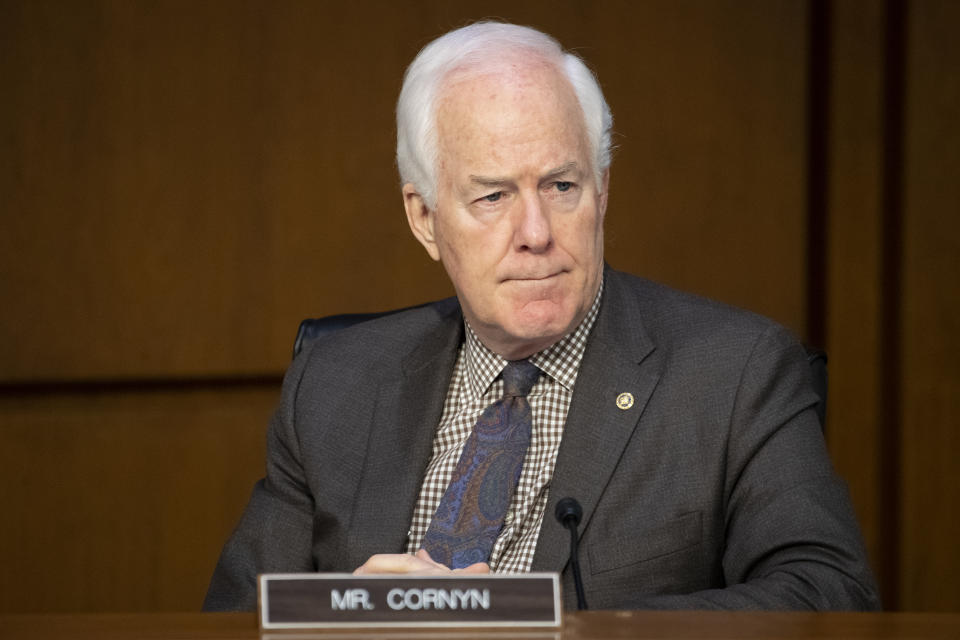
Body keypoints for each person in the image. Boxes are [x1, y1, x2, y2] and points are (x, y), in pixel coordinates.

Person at [203, 21, 879, 611]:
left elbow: (828, 593)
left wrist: (557, 628)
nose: (535, 231)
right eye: (493, 196)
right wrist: (350, 615)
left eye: (561, 186)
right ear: (425, 218)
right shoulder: (335, 384)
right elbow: (240, 616)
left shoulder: (734, 374)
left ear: (603, 190)